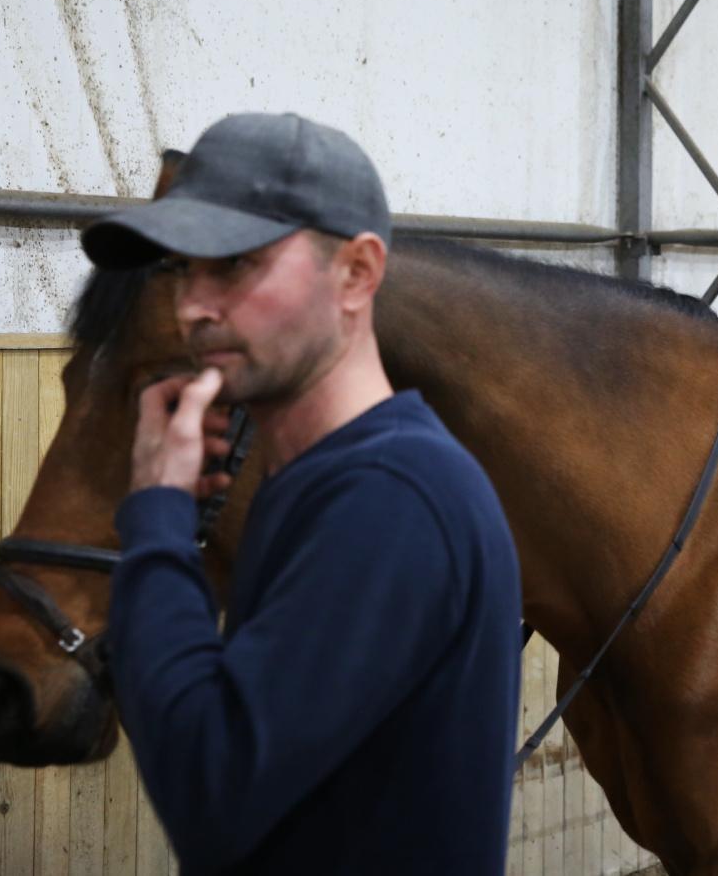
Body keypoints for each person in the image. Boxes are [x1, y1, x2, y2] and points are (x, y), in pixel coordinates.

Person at [81, 113, 521, 875]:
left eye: (236, 264)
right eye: (186, 268)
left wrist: (156, 514)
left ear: (356, 274)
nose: (193, 304)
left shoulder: (391, 497)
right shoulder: (330, 480)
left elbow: (208, 787)